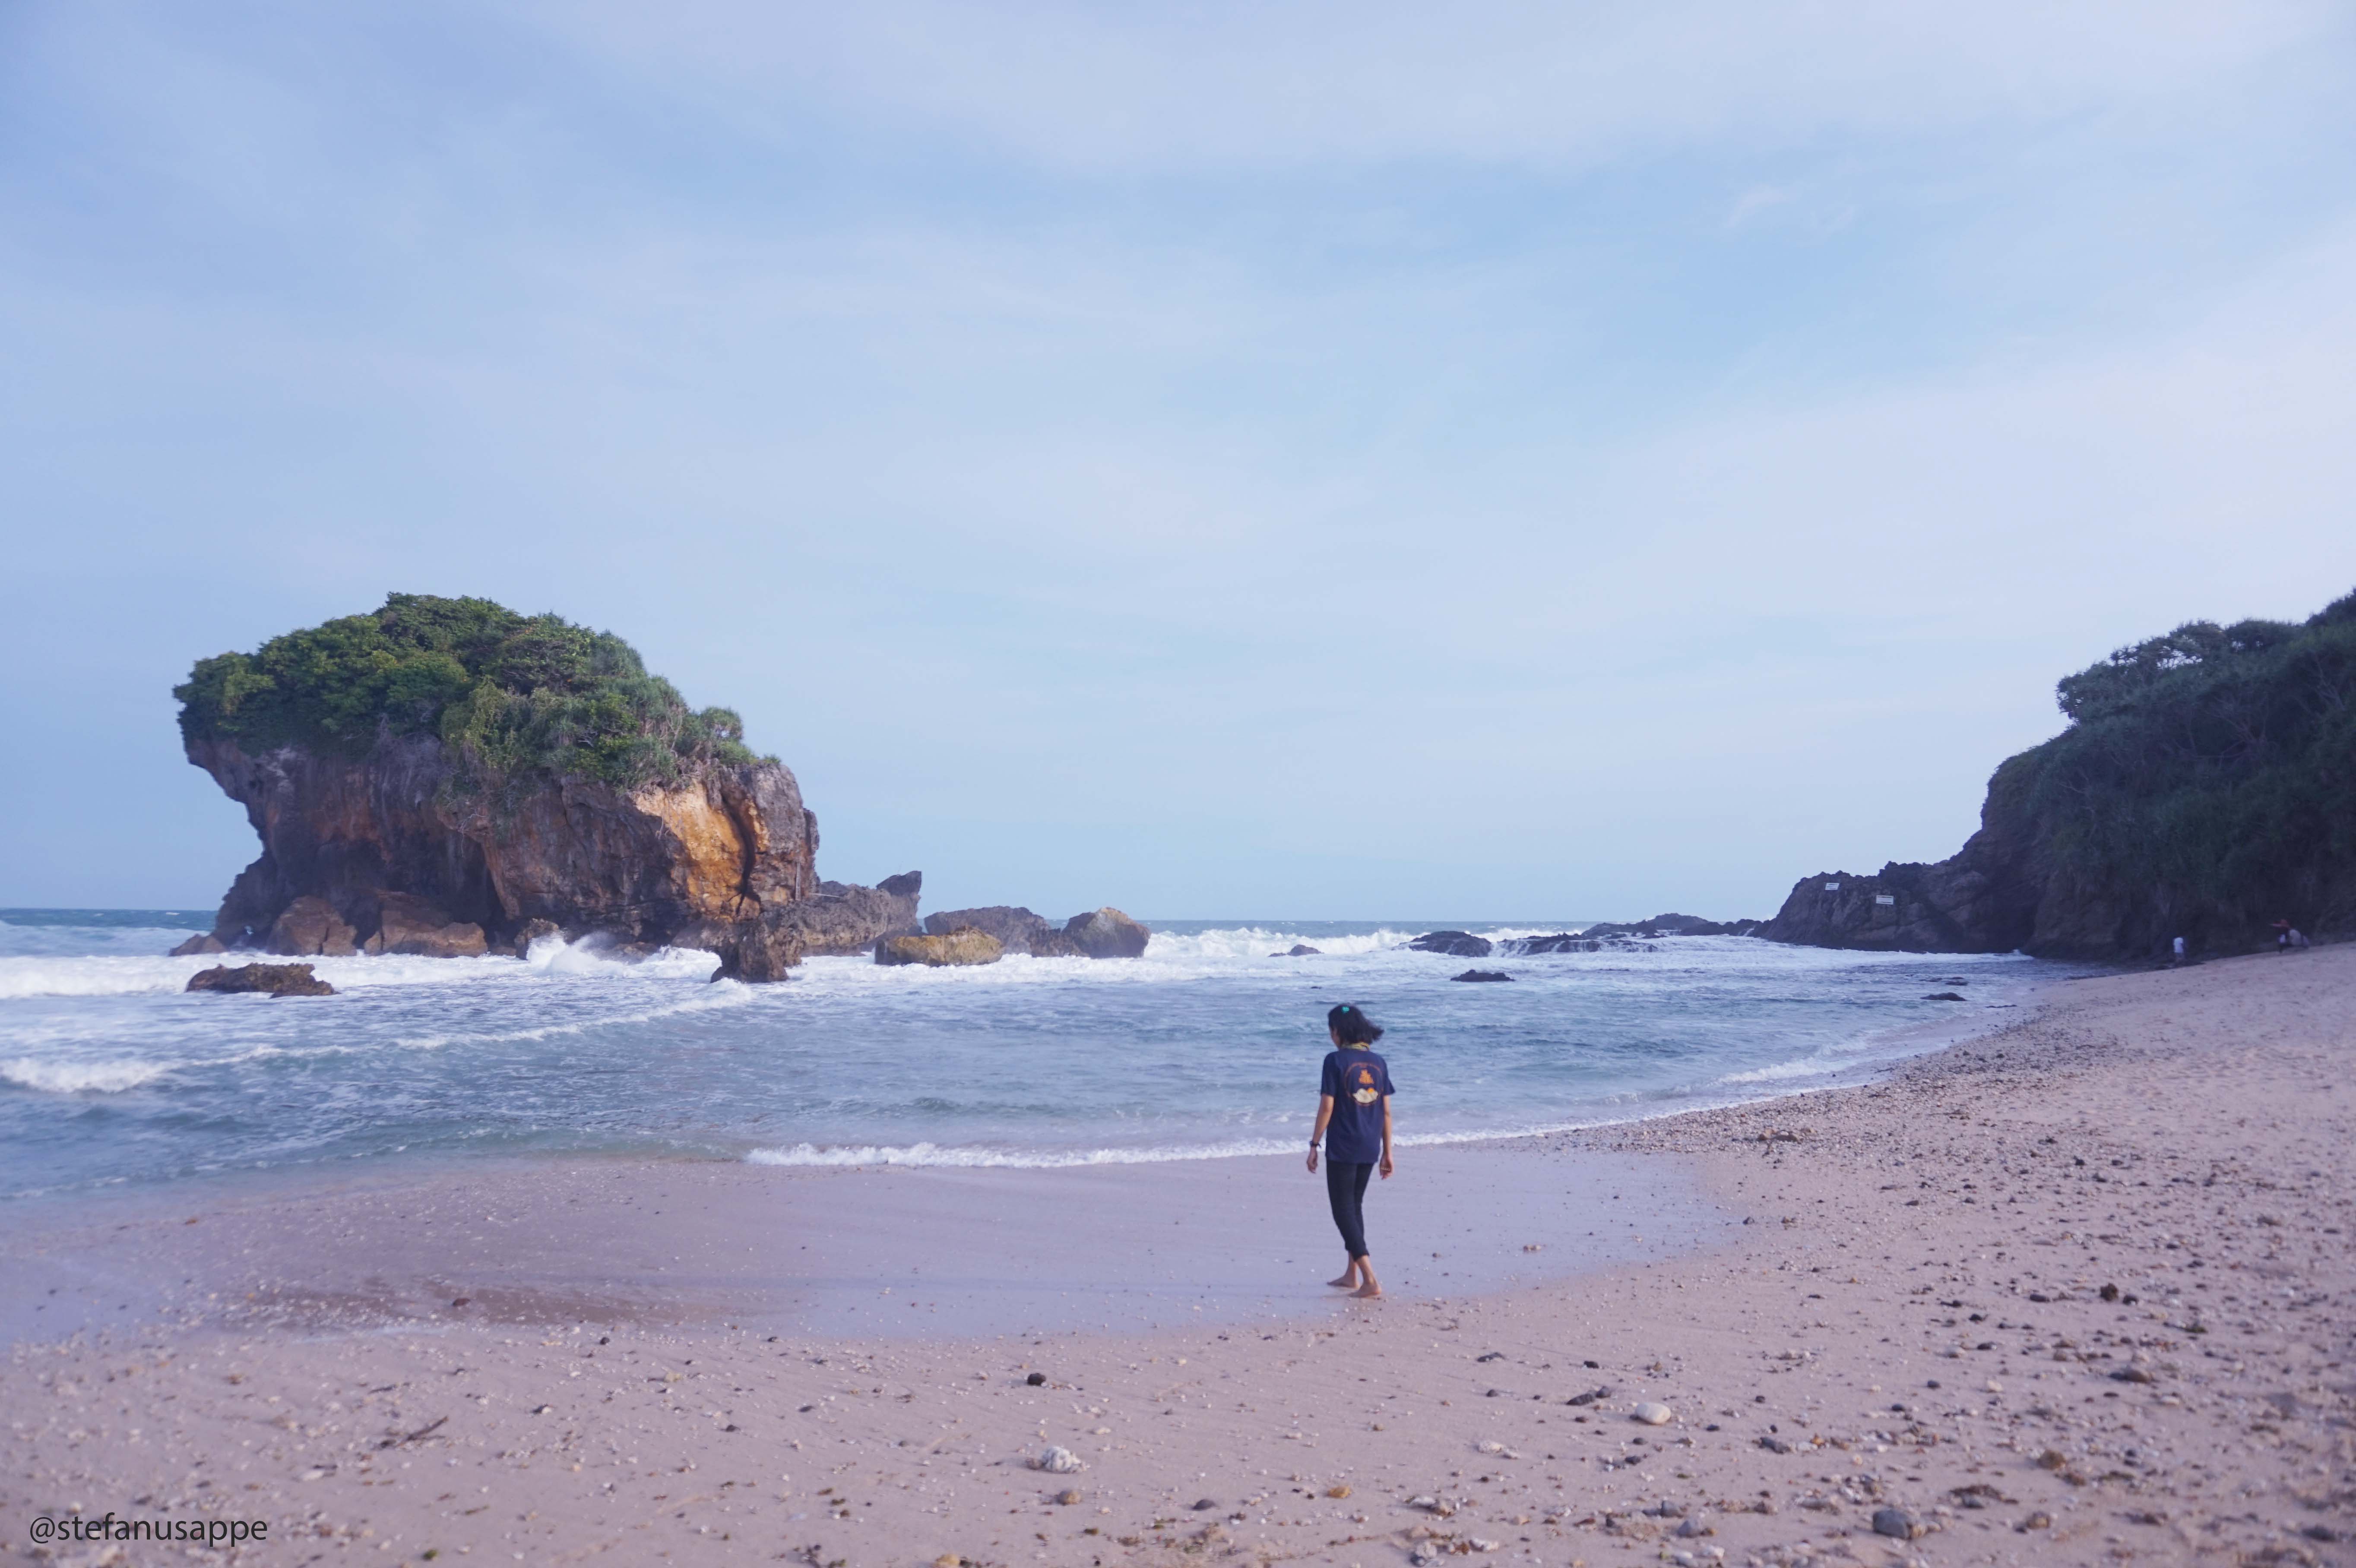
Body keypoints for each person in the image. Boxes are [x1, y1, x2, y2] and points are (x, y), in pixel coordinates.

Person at [1305, 1002, 1395, 1299]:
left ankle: (1370, 1278)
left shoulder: (1334, 1061)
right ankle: (1351, 1274)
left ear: (1338, 1032)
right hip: (1370, 1145)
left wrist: (1314, 1144)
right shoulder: (1378, 1063)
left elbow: (1327, 1105)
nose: (1331, 1036)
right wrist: (1388, 1152)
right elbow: (1386, 1113)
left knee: (1343, 1210)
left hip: (1343, 1146)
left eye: (1331, 1030)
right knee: (1354, 1208)